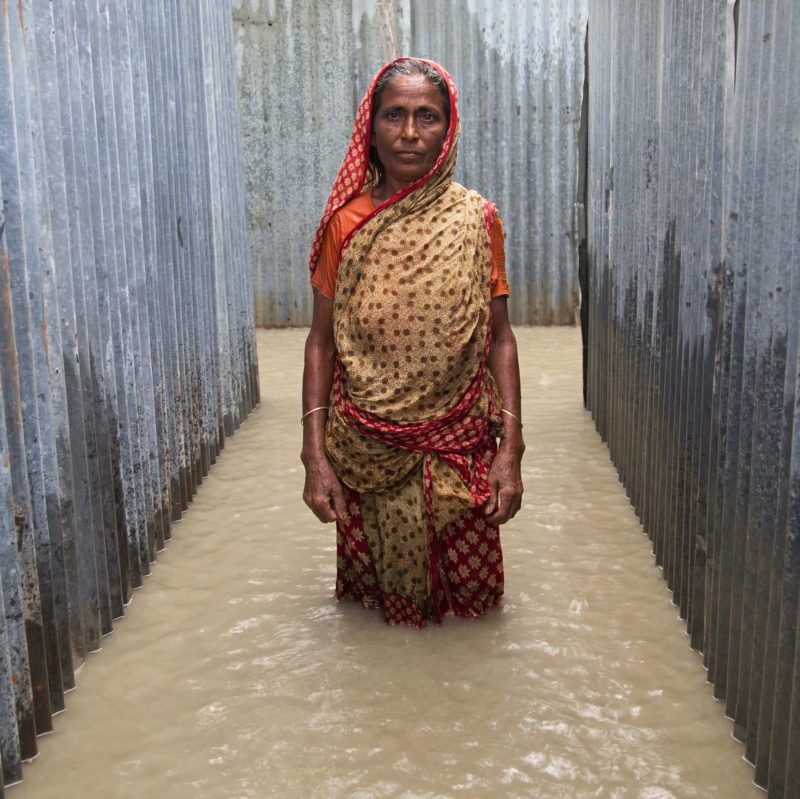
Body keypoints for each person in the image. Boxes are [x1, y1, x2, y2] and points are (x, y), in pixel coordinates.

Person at [301, 57, 524, 627]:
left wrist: (511, 450)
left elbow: (500, 339)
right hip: (365, 457)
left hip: (462, 450)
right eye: (393, 115)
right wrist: (314, 455)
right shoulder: (345, 225)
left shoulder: (478, 221)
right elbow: (321, 345)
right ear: (370, 130)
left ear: (447, 129)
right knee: (377, 618)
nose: (408, 133)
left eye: (426, 116)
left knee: (473, 613)